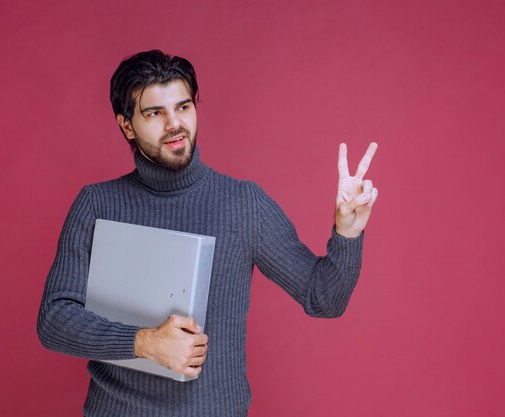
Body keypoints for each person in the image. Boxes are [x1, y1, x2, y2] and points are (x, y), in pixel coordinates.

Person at [37, 49, 379, 417]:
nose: (174, 124)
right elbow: (54, 320)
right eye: (155, 113)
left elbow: (324, 298)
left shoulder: (243, 203)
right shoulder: (97, 204)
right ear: (126, 125)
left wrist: (348, 233)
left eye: (183, 107)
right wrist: (146, 343)